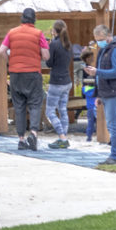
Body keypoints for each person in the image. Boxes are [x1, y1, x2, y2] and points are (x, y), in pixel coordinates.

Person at [0, 7, 50, 151]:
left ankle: (21, 140)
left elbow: (1, 50)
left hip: (15, 74)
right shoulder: (38, 34)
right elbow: (46, 56)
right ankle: (33, 133)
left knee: (19, 106)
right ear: (34, 20)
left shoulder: (12, 32)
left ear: (22, 19)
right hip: (33, 73)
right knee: (34, 104)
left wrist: (11, 61)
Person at [85, 24, 116, 165]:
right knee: (112, 125)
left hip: (114, 92)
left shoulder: (115, 50)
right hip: (107, 92)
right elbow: (102, 75)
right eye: (97, 40)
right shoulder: (105, 50)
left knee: (113, 125)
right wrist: (99, 94)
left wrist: (96, 72)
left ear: (109, 36)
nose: (99, 42)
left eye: (102, 39)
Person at [45, 19, 74, 149]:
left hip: (56, 82)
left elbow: (49, 63)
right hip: (67, 81)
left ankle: (62, 138)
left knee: (50, 111)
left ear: (53, 31)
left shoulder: (54, 45)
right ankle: (64, 138)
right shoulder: (69, 44)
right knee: (63, 110)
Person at [80, 46, 98, 142]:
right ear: (87, 59)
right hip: (95, 106)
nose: (93, 58)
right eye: (92, 56)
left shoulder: (85, 90)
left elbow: (84, 86)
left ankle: (89, 137)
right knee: (99, 122)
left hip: (89, 106)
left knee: (90, 122)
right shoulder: (87, 69)